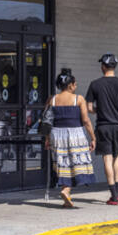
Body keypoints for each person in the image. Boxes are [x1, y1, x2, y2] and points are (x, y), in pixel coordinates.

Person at [85, 53, 118, 205]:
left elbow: (88, 108)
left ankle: (113, 195)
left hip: (103, 125)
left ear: (103, 66)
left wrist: (98, 111)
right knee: (116, 156)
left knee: (107, 158)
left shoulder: (95, 84)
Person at [44, 68, 95, 208]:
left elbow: (47, 121)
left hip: (57, 134)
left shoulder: (52, 99)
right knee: (77, 164)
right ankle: (66, 190)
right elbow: (86, 121)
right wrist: (93, 137)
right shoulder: (78, 99)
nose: (76, 86)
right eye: (75, 84)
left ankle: (65, 192)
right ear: (71, 85)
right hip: (75, 134)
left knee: (63, 163)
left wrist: (47, 139)